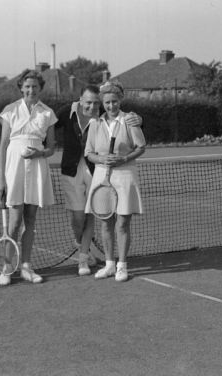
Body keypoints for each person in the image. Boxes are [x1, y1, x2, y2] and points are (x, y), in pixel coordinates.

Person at [54, 85, 143, 276]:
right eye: (89, 102)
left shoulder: (115, 115)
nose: (95, 106)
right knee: (87, 219)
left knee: (111, 221)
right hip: (80, 172)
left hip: (107, 174)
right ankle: (93, 254)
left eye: (97, 103)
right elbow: (47, 126)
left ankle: (101, 261)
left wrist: (139, 121)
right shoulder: (72, 114)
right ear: (80, 100)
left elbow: (137, 136)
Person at [0, 69, 57, 286]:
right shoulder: (10, 110)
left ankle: (27, 267)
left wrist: (39, 153)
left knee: (30, 220)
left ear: (40, 88)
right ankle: (7, 266)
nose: (31, 90)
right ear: (21, 87)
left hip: (37, 166)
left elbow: (51, 148)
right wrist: (1, 180)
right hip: (14, 167)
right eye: (27, 86)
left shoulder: (47, 113)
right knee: (13, 222)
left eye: (35, 87)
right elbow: (2, 146)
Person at [85, 82, 146, 282]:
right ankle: (109, 265)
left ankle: (122, 266)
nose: (111, 106)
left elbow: (140, 147)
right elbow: (89, 153)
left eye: (115, 101)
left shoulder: (130, 120)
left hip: (125, 175)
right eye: (107, 102)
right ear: (102, 103)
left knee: (122, 224)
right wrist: (102, 159)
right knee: (106, 223)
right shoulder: (95, 123)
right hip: (102, 176)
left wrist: (123, 159)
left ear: (120, 101)